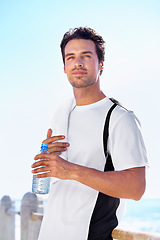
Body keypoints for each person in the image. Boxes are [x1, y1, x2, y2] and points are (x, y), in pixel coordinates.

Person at [31, 27, 148, 240]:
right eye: (71, 57)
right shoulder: (62, 113)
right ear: (64, 67)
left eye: (86, 56)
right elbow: (56, 180)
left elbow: (136, 188)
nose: (78, 63)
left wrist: (70, 170)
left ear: (100, 64)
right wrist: (48, 160)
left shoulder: (119, 118)